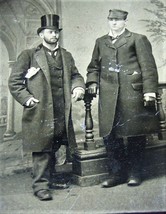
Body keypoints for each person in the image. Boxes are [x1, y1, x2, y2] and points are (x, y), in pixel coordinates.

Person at [8, 14, 85, 200]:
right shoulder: (29, 55)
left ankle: (50, 179)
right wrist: (27, 99)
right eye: (50, 32)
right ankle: (40, 186)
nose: (55, 35)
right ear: (42, 34)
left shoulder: (66, 55)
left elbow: (76, 75)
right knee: (42, 147)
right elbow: (14, 82)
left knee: (55, 144)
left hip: (61, 108)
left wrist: (78, 86)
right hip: (40, 108)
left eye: (56, 32)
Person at [86, 9, 159, 188]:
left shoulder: (137, 39)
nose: (114, 23)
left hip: (131, 94)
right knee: (111, 135)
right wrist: (92, 82)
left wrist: (149, 91)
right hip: (108, 95)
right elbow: (93, 67)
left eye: (118, 20)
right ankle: (116, 174)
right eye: (111, 19)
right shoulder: (100, 42)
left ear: (125, 21)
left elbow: (148, 67)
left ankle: (135, 173)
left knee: (135, 134)